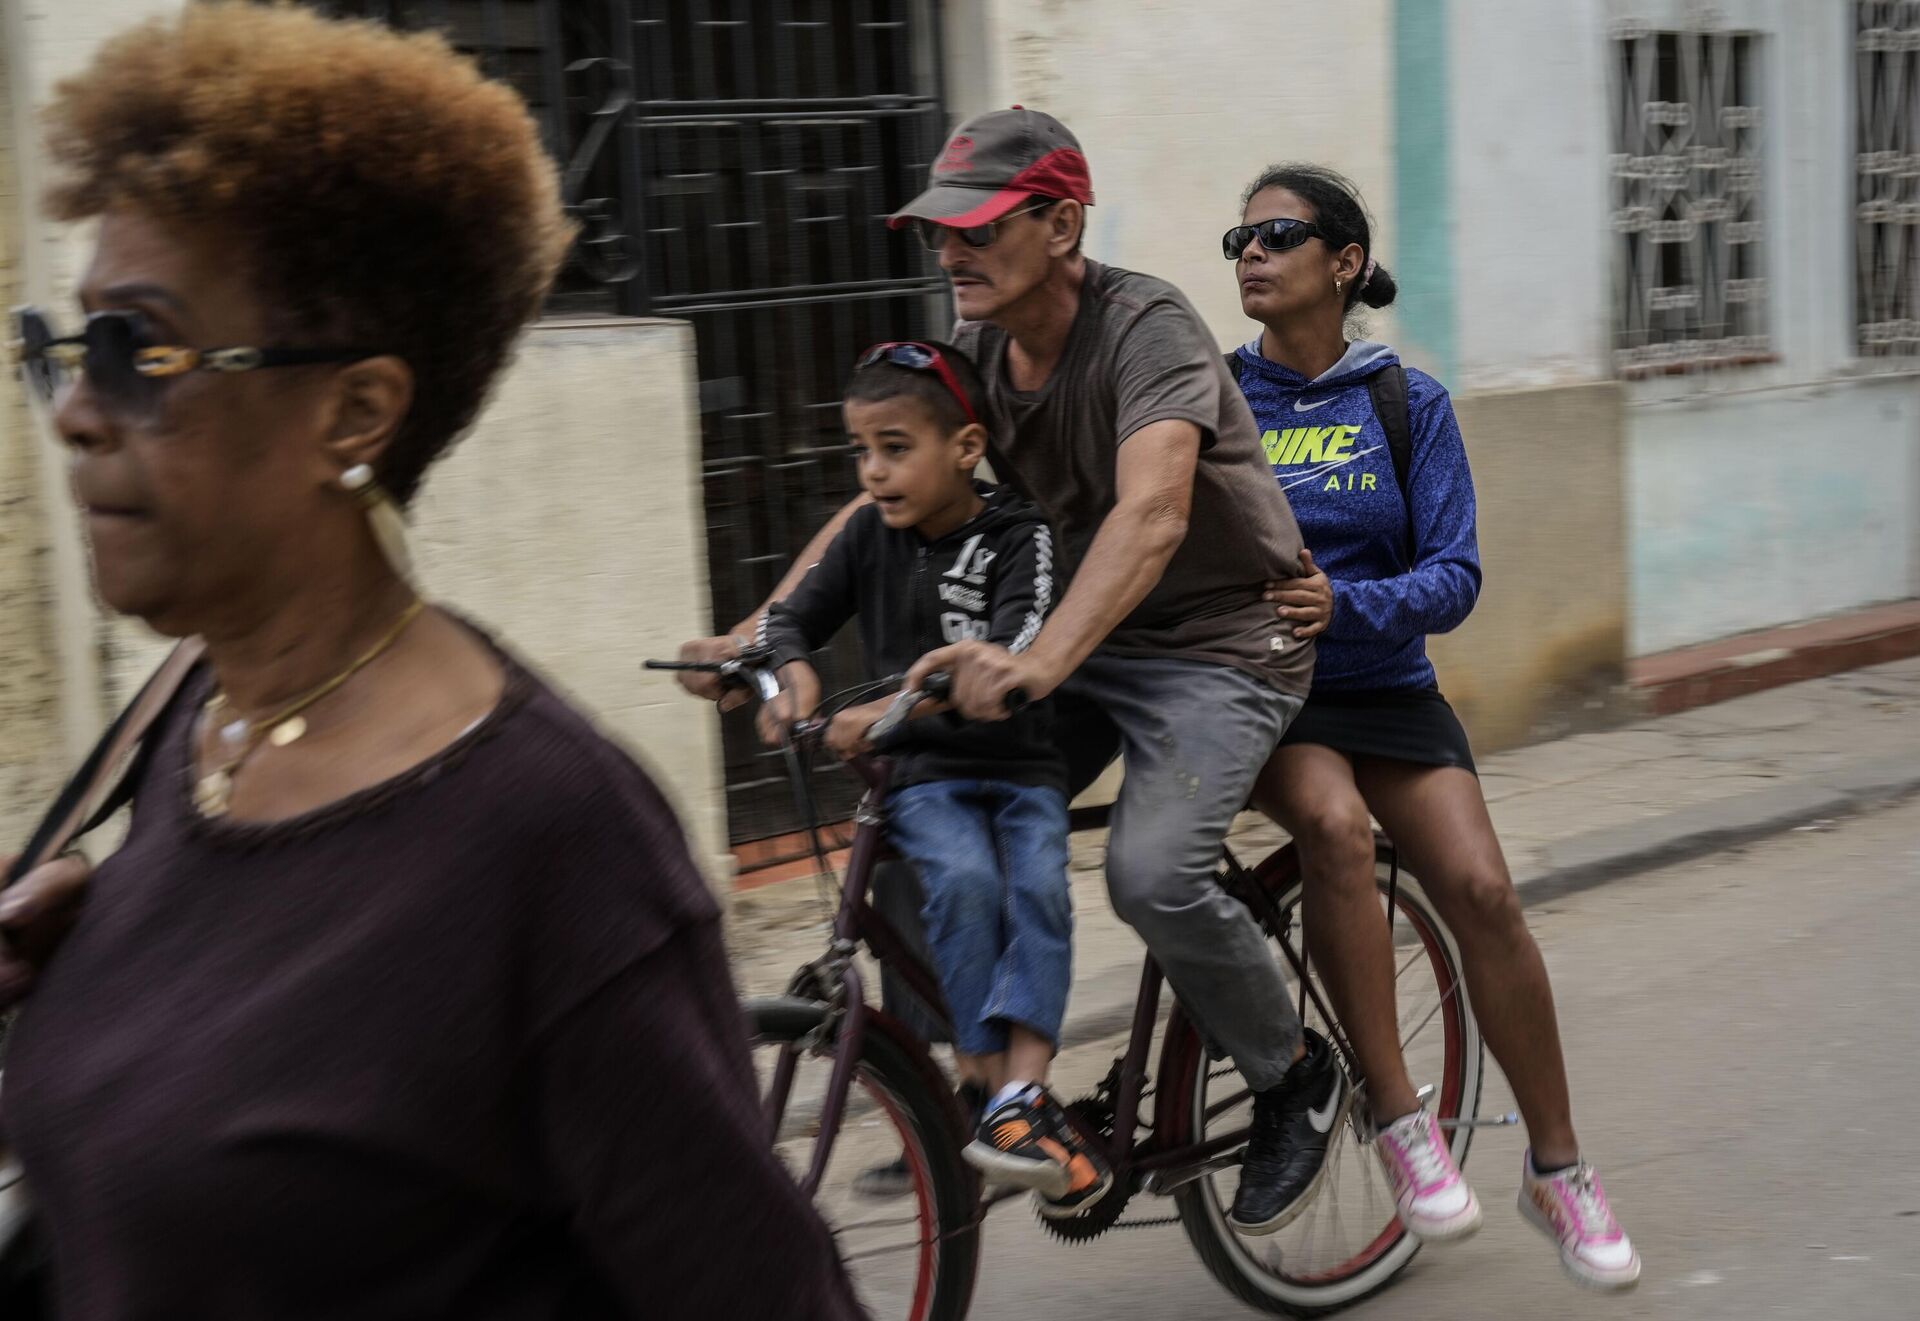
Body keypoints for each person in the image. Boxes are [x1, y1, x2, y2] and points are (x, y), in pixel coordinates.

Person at [0, 8, 860, 1317]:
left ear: (353, 410)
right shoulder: (196, 717)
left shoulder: (554, 842)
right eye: (68, 344)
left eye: (139, 349)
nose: (72, 409)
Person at [681, 107, 1342, 1233]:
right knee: (907, 783)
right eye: (939, 231)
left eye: (977, 229)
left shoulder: (1148, 327)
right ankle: (983, 1095)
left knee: (1151, 873)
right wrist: (761, 628)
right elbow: (887, 487)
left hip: (1225, 644)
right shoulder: (976, 354)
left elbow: (1154, 511)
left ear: (1062, 223)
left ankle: (1291, 1074)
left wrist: (1033, 662)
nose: (949, 252)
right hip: (1083, 635)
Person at [1228, 162, 1641, 1289]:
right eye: (1240, 239)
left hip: (1390, 689)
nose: (1249, 255)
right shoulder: (1215, 399)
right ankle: (1401, 1122)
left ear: (1345, 263)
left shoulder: (1405, 401)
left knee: (1484, 891)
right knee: (1334, 826)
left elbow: (1456, 577)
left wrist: (1349, 602)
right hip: (1274, 694)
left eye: (1276, 235)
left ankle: (1557, 1169)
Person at [757, 339, 1112, 1213]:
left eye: (894, 447)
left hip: (1022, 768)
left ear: (964, 446)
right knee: (957, 880)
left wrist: (890, 707)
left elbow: (1020, 643)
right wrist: (788, 678)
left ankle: (1021, 1094)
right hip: (923, 780)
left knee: (1035, 888)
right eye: (861, 451)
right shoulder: (865, 536)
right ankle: (988, 1087)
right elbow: (787, 623)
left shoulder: (1018, 532)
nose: (872, 472)